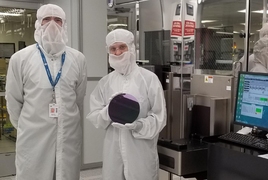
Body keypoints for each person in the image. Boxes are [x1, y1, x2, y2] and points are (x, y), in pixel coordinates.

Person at [5, 4, 87, 180]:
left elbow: (78, 99)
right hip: (33, 138)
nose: (52, 25)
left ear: (64, 25)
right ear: (38, 24)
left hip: (68, 136)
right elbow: (13, 100)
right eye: (46, 20)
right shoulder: (20, 59)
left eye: (57, 20)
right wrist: (29, 127)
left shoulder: (78, 59)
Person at [87, 29, 166, 180]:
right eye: (113, 48)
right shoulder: (105, 82)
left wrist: (139, 125)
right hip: (113, 150)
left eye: (122, 47)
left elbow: (159, 116)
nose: (117, 52)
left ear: (131, 48)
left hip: (140, 151)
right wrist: (108, 111)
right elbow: (95, 116)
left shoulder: (149, 79)